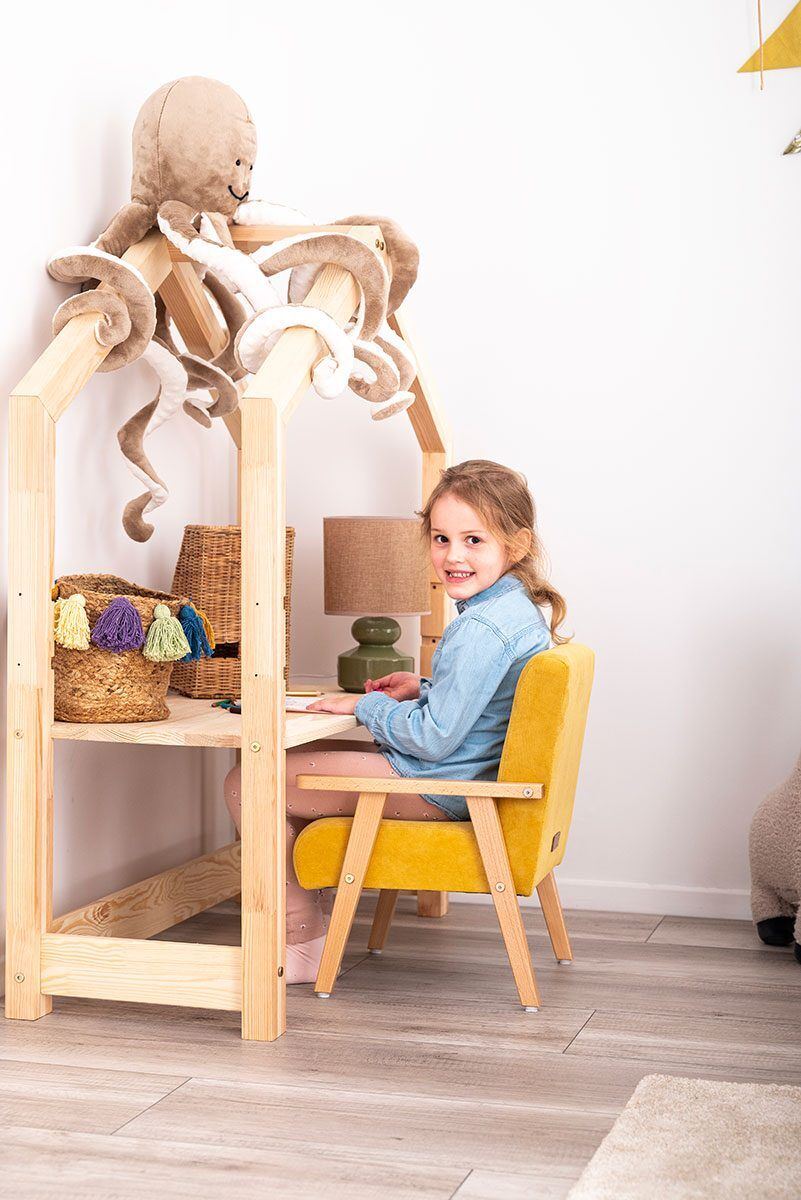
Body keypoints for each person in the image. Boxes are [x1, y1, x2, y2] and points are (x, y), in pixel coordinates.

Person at [224, 459, 569, 983]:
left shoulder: (482, 628)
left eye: (474, 540)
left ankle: (303, 938)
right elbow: (487, 707)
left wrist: (365, 707)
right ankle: (312, 926)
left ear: (516, 545)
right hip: (464, 775)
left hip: (444, 785)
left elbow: (434, 739)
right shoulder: (514, 610)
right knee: (285, 767)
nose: (453, 556)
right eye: (441, 538)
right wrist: (423, 689)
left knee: (248, 781)